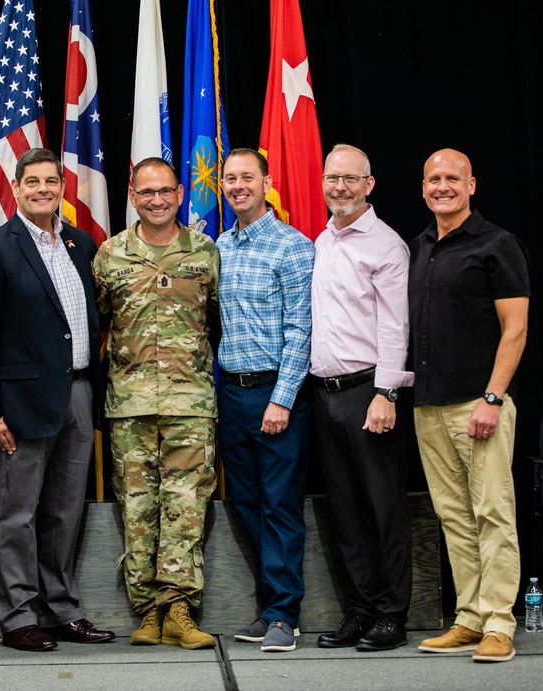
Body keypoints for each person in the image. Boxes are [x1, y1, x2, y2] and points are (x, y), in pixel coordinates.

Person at [0, 148, 115, 652]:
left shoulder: (81, 244)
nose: (43, 189)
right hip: (20, 405)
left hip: (76, 393)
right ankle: (18, 616)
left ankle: (61, 611)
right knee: (17, 515)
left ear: (61, 187)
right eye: (33, 182)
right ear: (17, 186)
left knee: (64, 513)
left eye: (51, 181)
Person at [93, 158, 220, 650]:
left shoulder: (205, 253)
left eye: (166, 190)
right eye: (147, 192)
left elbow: (216, 319)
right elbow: (101, 321)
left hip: (190, 403)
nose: (157, 200)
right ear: (132, 194)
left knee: (186, 508)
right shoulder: (110, 255)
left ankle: (180, 610)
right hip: (129, 407)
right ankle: (147, 612)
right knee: (139, 511)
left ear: (181, 193)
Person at [409, 149, 529, 663]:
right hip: (428, 407)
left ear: (471, 185)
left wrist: (492, 398)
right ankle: (470, 617)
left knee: (493, 513)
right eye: (433, 179)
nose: (442, 186)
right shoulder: (420, 246)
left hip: (479, 406)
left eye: (452, 178)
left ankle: (501, 622)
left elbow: (516, 329)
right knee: (454, 517)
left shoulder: (498, 245)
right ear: (422, 188)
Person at [309, 144, 414, 652]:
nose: (340, 188)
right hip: (324, 395)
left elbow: (397, 325)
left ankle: (393, 614)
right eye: (333, 179)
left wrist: (386, 392)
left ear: (368, 185)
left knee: (382, 510)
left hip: (369, 394)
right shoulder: (323, 239)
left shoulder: (386, 246)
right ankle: (362, 609)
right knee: (345, 513)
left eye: (351, 180)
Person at [216, 148, 315, 653]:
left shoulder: (293, 247)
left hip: (276, 396)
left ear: (266, 182)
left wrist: (281, 399)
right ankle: (268, 605)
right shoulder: (219, 247)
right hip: (230, 395)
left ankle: (283, 614)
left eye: (246, 177)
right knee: (247, 502)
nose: (237, 186)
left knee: (280, 505)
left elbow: (301, 329)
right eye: (229, 178)